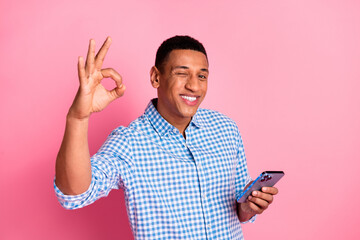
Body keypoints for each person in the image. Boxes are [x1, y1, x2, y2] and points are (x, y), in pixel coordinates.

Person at [54, 35, 279, 239]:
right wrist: (78, 118)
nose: (193, 86)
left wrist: (248, 207)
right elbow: (74, 194)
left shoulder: (226, 129)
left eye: (202, 76)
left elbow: (239, 209)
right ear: (155, 77)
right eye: (182, 73)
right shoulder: (130, 142)